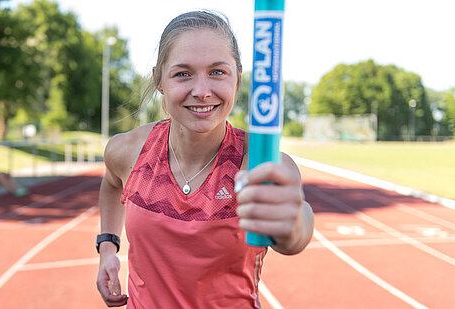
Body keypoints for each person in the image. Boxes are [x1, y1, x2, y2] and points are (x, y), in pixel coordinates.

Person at [96, 10, 314, 308]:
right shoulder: (128, 150)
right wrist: (108, 245)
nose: (201, 91)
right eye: (183, 73)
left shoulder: (259, 162)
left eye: (217, 72)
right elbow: (111, 184)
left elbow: (297, 231)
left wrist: (293, 224)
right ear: (160, 81)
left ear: (238, 78)